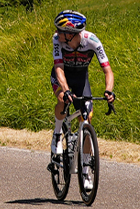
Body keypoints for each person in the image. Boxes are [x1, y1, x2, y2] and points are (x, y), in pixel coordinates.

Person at [48, 10, 115, 191]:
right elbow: (59, 68)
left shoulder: (92, 41)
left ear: (71, 34)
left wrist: (109, 91)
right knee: (62, 99)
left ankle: (85, 171)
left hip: (81, 79)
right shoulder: (57, 40)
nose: (57, 33)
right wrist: (65, 90)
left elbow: (108, 70)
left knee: (87, 119)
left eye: (61, 30)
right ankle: (57, 134)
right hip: (62, 76)